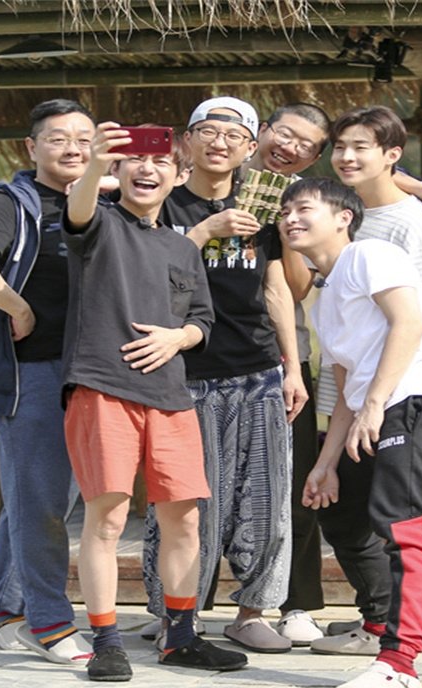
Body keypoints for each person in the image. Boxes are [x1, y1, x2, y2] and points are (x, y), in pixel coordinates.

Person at [62, 121, 247, 681]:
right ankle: (105, 641)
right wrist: (95, 163)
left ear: (180, 174)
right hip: (103, 387)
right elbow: (78, 208)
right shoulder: (98, 225)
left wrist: (177, 338)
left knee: (185, 521)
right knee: (108, 518)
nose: (147, 169)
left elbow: (202, 320)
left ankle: (181, 636)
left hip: (170, 395)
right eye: (135, 161)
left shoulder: (182, 246)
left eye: (161, 161)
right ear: (117, 171)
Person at [278, 177, 422, 688]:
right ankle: (380, 621)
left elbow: (410, 324)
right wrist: (325, 463)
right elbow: (344, 385)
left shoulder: (370, 255)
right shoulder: (325, 294)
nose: (291, 218)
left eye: (304, 208)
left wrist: (378, 404)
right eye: (284, 211)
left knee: (404, 524)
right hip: (373, 408)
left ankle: (400, 662)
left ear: (344, 217)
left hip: (417, 398)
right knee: (339, 509)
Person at [140, 97, 306, 654]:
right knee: (181, 503)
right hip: (183, 373)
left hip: (257, 369)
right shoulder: (161, 201)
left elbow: (276, 289)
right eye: (207, 131)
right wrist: (204, 230)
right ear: (186, 141)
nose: (220, 142)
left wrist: (292, 367)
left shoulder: (262, 201)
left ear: (251, 147)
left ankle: (254, 611)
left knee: (266, 497)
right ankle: (174, 613)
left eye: (234, 135)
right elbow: (145, 274)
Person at [0, 99, 95, 665]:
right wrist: (17, 306)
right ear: (32, 148)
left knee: (42, 496)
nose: (73, 148)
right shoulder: (14, 201)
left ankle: (0, 606)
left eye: (83, 139)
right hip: (33, 370)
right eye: (58, 138)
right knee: (42, 501)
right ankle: (49, 621)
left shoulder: (104, 201)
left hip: (90, 369)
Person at [246, 103, 334, 646]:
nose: (290, 148)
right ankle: (185, 606)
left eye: (306, 146)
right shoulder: (206, 181)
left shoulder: (302, 202)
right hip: (204, 352)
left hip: (284, 357)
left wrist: (286, 225)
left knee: (294, 481)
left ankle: (298, 603)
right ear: (262, 131)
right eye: (285, 134)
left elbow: (298, 288)